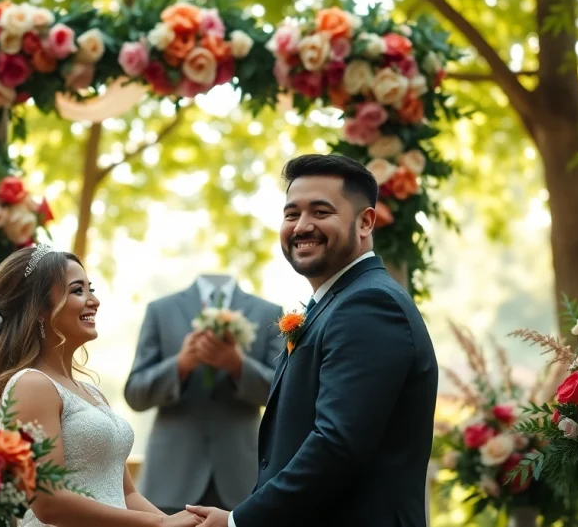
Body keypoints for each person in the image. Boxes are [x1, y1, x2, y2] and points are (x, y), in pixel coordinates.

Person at [187, 154, 439, 526]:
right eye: (291, 214)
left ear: (365, 222)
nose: (302, 226)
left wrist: (238, 522)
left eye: (321, 212)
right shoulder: (338, 302)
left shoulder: (369, 305)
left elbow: (337, 446)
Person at [0, 245, 200, 527]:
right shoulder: (31, 385)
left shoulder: (92, 393)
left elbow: (126, 494)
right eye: (78, 290)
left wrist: (179, 523)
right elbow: (47, 502)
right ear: (41, 309)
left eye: (91, 288)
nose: (94, 300)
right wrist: (159, 524)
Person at [123, 273, 285, 514]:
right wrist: (180, 364)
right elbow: (135, 394)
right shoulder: (161, 310)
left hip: (242, 480)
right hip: (170, 478)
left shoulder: (269, 313)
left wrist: (239, 366)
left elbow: (283, 394)